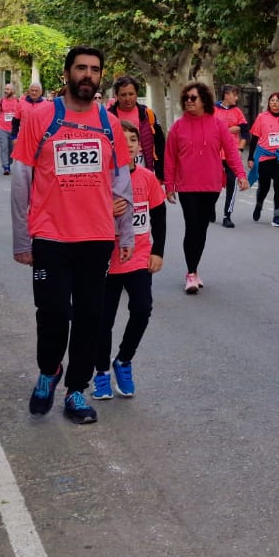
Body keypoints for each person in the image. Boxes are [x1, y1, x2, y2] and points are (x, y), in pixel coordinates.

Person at [12, 46, 135, 424]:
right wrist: (21, 239)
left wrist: (126, 235)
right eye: (80, 68)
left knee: (89, 317)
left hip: (96, 237)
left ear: (100, 77)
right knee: (51, 312)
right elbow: (21, 179)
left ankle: (77, 391)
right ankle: (50, 370)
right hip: (50, 236)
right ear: (66, 73)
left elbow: (122, 182)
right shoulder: (40, 116)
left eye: (94, 69)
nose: (87, 75)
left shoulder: (109, 123)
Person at [94, 119, 166, 401]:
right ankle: (100, 373)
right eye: (121, 141)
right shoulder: (102, 177)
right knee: (103, 321)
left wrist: (157, 251)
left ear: (138, 145)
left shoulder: (147, 178)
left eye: (133, 140)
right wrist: (106, 210)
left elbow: (158, 215)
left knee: (142, 309)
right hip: (106, 259)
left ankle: (123, 360)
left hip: (138, 256)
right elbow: (84, 211)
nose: (128, 145)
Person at [162, 81, 249, 293]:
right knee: (191, 227)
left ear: (204, 100)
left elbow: (230, 151)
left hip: (211, 185)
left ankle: (195, 269)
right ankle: (191, 273)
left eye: (193, 98)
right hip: (187, 186)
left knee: (201, 229)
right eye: (186, 98)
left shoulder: (217, 124)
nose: (189, 102)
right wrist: (169, 185)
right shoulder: (178, 127)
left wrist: (241, 175)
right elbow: (170, 158)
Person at [248, 91, 279, 226]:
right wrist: (251, 158)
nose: (274, 103)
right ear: (269, 103)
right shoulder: (261, 117)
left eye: (277, 101)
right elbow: (254, 139)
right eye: (272, 101)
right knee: (264, 186)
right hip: (265, 157)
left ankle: (276, 216)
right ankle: (259, 204)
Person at [110, 76, 165, 174]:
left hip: (142, 165)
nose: (127, 98)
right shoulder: (108, 116)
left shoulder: (147, 114)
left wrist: (160, 174)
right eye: (123, 95)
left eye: (131, 94)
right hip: (117, 166)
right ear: (116, 96)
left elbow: (160, 145)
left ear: (136, 94)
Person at [217, 85, 249, 227]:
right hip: (215, 153)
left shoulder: (238, 112)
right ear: (225, 95)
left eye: (237, 95)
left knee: (232, 184)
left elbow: (245, 133)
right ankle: (210, 207)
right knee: (214, 184)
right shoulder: (212, 110)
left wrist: (240, 149)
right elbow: (210, 131)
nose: (237, 98)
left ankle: (227, 215)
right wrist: (229, 130)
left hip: (232, 153)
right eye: (234, 95)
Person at [0, 83, 25, 175]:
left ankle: (9, 162)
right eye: (5, 89)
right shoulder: (0, 102)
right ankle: (6, 166)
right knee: (4, 148)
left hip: (13, 130)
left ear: (13, 91)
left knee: (12, 149)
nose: (5, 91)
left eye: (8, 89)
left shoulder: (18, 102)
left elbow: (21, 116)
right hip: (1, 128)